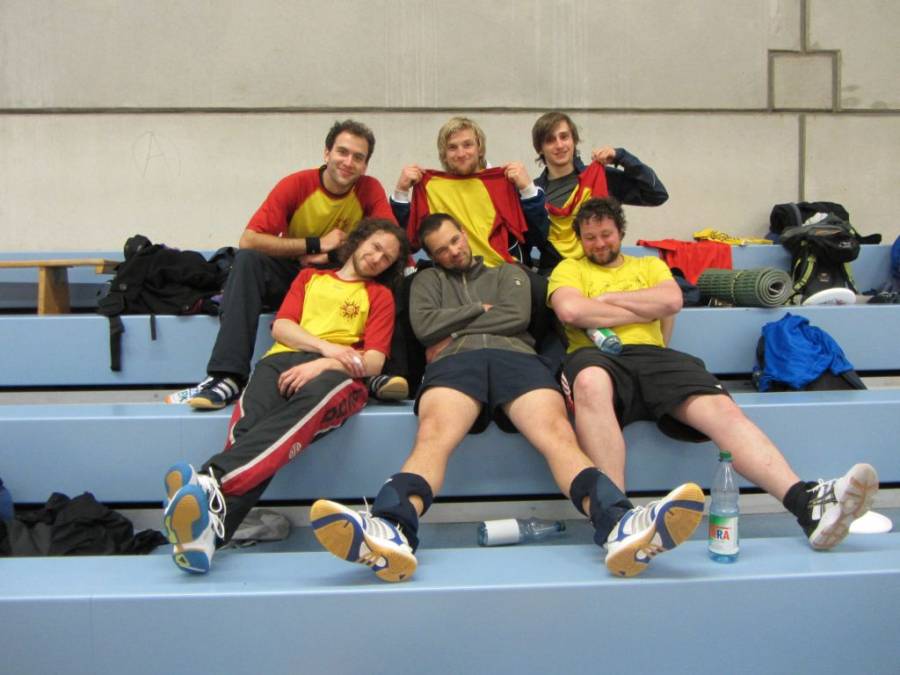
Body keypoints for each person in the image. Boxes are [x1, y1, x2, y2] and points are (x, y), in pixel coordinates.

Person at [309, 213, 705, 582]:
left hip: (517, 358)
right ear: (432, 256)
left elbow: (515, 317)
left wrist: (454, 326)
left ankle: (619, 524)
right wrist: (477, 313)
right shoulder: (426, 282)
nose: (453, 251)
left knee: (557, 435)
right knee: (433, 435)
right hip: (455, 361)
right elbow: (425, 328)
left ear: (464, 234)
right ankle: (391, 528)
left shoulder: (509, 272)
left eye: (454, 241)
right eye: (441, 250)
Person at [547, 196, 879, 569]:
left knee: (721, 408)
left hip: (655, 357)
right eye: (590, 237)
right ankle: (618, 523)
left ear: (620, 231)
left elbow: (671, 301)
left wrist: (606, 301)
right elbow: (571, 310)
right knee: (590, 382)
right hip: (595, 356)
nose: (598, 243)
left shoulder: (649, 265)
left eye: (606, 234)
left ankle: (807, 505)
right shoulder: (569, 269)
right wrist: (641, 308)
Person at [162, 219, 409, 574]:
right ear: (358, 242)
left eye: (387, 258)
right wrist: (327, 348)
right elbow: (282, 327)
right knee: (249, 432)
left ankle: (210, 479)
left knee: (287, 427)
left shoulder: (380, 295)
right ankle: (207, 538)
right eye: (375, 247)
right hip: (281, 361)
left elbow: (372, 362)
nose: (377, 259)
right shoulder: (309, 278)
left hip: (338, 376)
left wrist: (324, 363)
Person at [182, 119, 403, 410]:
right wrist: (314, 244)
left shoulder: (369, 188)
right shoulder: (297, 184)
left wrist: (332, 255)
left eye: (358, 157)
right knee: (246, 261)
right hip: (295, 279)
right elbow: (249, 240)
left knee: (395, 274)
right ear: (327, 153)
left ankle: (373, 371)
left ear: (365, 165)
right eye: (342, 152)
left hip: (341, 278)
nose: (349, 162)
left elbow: (389, 241)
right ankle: (228, 376)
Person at [530, 111, 669, 270]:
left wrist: (621, 156)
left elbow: (657, 194)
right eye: (550, 140)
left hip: (605, 271)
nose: (559, 145)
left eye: (564, 137)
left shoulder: (600, 177)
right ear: (540, 149)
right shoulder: (532, 194)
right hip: (555, 275)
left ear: (574, 140)